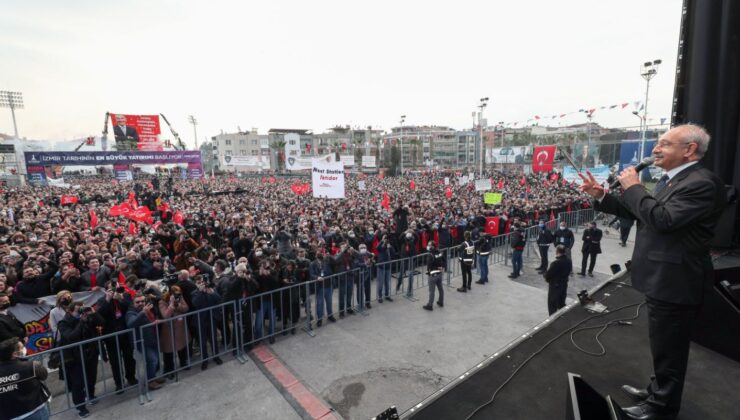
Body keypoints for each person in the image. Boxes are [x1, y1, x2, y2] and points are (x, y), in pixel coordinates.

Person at [578, 124, 725, 420]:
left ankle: (661, 408)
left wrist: (633, 186)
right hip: (664, 278)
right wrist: (602, 196)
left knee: (671, 347)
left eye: (664, 144)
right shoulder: (673, 181)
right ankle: (658, 391)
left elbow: (662, 220)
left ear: (689, 149)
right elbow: (640, 212)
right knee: (663, 344)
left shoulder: (701, 183)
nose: (655, 149)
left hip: (677, 280)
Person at [57, 303, 104, 417]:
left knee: (91, 376)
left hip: (90, 353)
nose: (82, 312)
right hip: (74, 358)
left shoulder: (88, 317)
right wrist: (81, 322)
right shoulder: (63, 323)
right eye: (79, 310)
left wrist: (93, 313)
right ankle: (80, 407)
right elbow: (72, 337)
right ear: (70, 311)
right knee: (78, 382)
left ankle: (90, 395)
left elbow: (102, 323)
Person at [0, 337, 51, 420]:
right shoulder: (32, 366)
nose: (24, 349)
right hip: (36, 411)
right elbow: (44, 376)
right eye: (21, 347)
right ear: (15, 354)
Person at [126, 294, 165, 389]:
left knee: (155, 361)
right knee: (152, 360)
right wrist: (143, 312)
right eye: (137, 302)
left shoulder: (148, 309)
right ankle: (150, 382)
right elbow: (131, 323)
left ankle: (152, 377)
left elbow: (152, 319)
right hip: (142, 342)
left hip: (152, 339)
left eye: (142, 301)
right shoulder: (130, 313)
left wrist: (156, 321)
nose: (140, 303)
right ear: (133, 303)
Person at [158, 285, 189, 379]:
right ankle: (169, 370)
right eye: (175, 294)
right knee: (169, 351)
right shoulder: (162, 302)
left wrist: (178, 304)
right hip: (168, 330)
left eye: (178, 293)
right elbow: (165, 316)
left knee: (182, 347)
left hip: (180, 328)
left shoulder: (179, 297)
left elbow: (186, 308)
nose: (177, 295)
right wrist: (171, 305)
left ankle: (183, 363)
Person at [544, 245, 571, 315]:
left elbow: (548, 274)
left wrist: (547, 278)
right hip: (564, 284)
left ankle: (552, 320)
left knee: (552, 305)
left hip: (555, 286)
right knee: (561, 303)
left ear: (557, 252)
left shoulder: (556, 263)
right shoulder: (568, 261)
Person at [422, 241, 446, 311]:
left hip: (432, 274)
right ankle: (441, 302)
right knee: (440, 288)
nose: (427, 246)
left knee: (431, 291)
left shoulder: (430, 255)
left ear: (432, 246)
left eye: (429, 245)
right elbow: (444, 260)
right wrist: (441, 267)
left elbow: (429, 265)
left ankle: (430, 305)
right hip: (439, 273)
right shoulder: (439, 252)